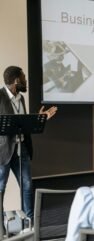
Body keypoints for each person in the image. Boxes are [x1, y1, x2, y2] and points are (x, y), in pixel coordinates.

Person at [0, 66, 57, 220]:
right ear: (16, 81)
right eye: (24, 78)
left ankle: (29, 223)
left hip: (22, 149)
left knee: (27, 186)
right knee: (0, 188)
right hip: (3, 151)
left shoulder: (21, 98)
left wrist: (39, 118)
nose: (26, 81)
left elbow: (22, 124)